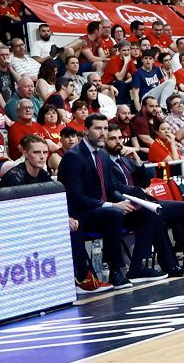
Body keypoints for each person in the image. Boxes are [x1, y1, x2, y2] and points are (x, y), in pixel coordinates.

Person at [104, 125, 184, 273]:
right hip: (124, 208)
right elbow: (114, 188)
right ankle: (170, 264)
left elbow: (146, 182)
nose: (118, 142)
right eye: (113, 138)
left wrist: (138, 162)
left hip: (143, 201)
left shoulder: (125, 160)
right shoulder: (103, 163)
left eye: (120, 138)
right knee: (154, 214)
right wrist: (137, 191)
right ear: (104, 141)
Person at [57, 114, 133, 291]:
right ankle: (116, 271)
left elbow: (110, 188)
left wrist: (127, 200)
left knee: (142, 213)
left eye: (105, 128)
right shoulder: (73, 157)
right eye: (98, 128)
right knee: (113, 214)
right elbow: (76, 198)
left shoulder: (103, 155)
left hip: (100, 211)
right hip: (79, 213)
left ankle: (138, 266)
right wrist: (112, 206)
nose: (103, 133)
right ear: (86, 131)